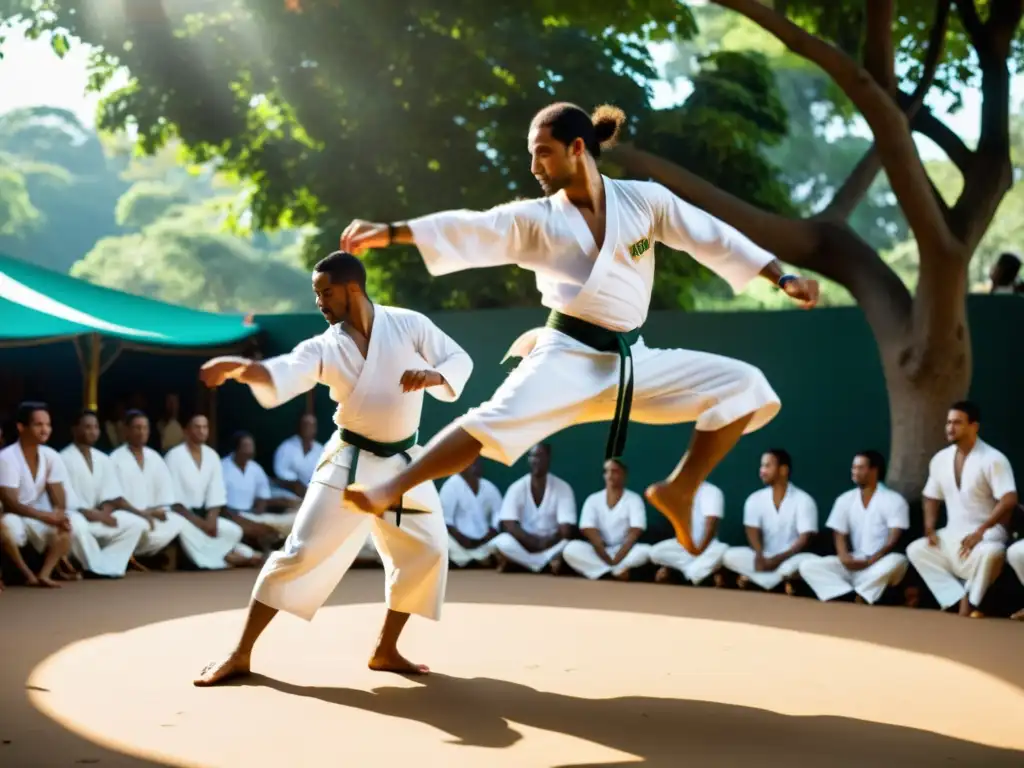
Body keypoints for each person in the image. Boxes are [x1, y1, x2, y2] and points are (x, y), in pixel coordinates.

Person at [339, 102, 818, 551]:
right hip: (564, 356)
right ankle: (389, 489)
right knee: (488, 421)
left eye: (542, 153)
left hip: (632, 362)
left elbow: (710, 235)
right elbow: (472, 226)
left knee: (747, 386)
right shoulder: (538, 220)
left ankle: (680, 490)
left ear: (578, 148)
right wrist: (391, 231)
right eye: (532, 155)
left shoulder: (643, 201)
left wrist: (782, 275)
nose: (534, 167)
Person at [193, 250, 473, 685]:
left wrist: (435, 377)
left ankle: (385, 649)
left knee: (430, 550)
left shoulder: (409, 324)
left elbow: (458, 358)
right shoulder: (327, 345)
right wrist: (243, 369)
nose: (320, 302)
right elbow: (286, 369)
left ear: (352, 289)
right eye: (315, 293)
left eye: (326, 292)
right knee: (300, 552)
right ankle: (240, 652)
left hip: (402, 466)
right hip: (349, 462)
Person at [906, 401, 1017, 618]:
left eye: (957, 422)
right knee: (916, 549)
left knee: (992, 552)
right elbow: (930, 495)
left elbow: (1009, 499)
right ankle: (956, 598)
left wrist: (981, 531)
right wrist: (929, 526)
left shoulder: (993, 459)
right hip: (952, 533)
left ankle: (973, 601)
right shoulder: (940, 459)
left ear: (974, 426)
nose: (950, 427)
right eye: (948, 422)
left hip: (987, 533)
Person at [799, 450, 909, 605]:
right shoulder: (844, 499)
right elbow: (839, 534)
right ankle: (848, 595)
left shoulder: (894, 500)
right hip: (852, 563)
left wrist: (872, 560)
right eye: (853, 468)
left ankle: (861, 593)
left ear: (874, 470)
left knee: (898, 561)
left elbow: (893, 539)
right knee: (807, 566)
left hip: (878, 564)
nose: (855, 472)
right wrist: (844, 557)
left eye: (860, 468)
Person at [59, 409, 148, 578]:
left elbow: (111, 494)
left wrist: (105, 512)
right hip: (77, 514)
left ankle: (109, 565)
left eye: (95, 427)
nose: (92, 431)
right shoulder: (63, 458)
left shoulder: (103, 459)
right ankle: (93, 567)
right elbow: (66, 499)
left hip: (100, 514)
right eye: (87, 427)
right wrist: (96, 515)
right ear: (75, 429)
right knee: (75, 525)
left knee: (136, 523)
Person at [164, 414, 260, 568]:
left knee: (233, 531)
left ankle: (229, 555)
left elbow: (216, 493)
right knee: (187, 532)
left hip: (205, 516)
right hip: (183, 516)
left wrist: (211, 520)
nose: (202, 431)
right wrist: (201, 524)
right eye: (197, 427)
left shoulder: (212, 456)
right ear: (186, 431)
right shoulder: (174, 456)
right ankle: (228, 558)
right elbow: (175, 503)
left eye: (205, 427)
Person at [721, 449, 820, 591]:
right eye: (762, 466)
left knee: (808, 563)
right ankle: (777, 582)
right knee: (728, 556)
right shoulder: (754, 499)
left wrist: (778, 559)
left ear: (783, 470)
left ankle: (759, 581)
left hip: (790, 559)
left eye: (767, 466)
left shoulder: (804, 500)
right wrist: (759, 555)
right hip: (765, 558)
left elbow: (804, 539)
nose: (762, 471)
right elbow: (751, 530)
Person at [0, 402, 73, 587]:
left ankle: (44, 574)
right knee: (5, 527)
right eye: (38, 424)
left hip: (33, 515)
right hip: (12, 515)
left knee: (66, 528)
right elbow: (10, 504)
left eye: (48, 425)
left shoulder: (51, 456)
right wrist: (46, 516)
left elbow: (59, 497)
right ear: (21, 427)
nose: (45, 429)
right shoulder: (7, 457)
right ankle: (27, 574)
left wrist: (58, 515)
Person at [490, 443, 577, 573]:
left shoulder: (563, 488)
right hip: (524, 546)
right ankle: (544, 565)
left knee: (571, 547)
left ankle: (521, 564)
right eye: (532, 456)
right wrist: (534, 543)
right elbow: (510, 524)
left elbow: (566, 530)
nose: (535, 460)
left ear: (548, 459)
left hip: (552, 546)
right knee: (501, 541)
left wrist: (544, 543)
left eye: (540, 456)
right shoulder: (516, 487)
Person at [562, 458, 651, 581]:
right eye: (606, 472)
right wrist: (606, 557)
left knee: (647, 551)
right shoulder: (593, 499)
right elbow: (589, 531)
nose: (610, 476)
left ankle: (606, 571)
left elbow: (635, 532)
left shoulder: (634, 499)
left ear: (623, 474)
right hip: (599, 551)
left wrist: (618, 557)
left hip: (625, 551)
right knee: (570, 549)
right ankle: (612, 572)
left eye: (614, 471)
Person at [649, 481, 728, 586]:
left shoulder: (712, 491)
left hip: (708, 547)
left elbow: (711, 526)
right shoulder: (680, 492)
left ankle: (689, 574)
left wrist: (699, 550)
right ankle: (695, 574)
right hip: (684, 545)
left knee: (723, 550)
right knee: (655, 552)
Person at [438, 458, 504, 568]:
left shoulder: (489, 487)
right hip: (459, 542)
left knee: (503, 541)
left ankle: (474, 560)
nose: (474, 465)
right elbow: (445, 521)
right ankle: (472, 560)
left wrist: (490, 533)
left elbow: (498, 518)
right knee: (443, 541)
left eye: (477, 461)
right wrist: (464, 540)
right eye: (470, 461)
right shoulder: (450, 486)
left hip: (484, 542)